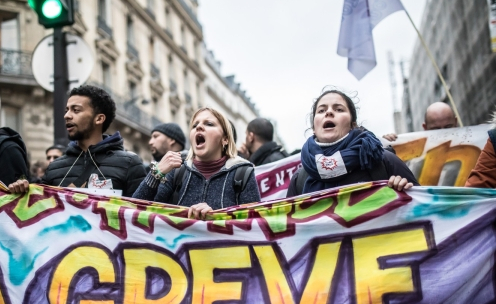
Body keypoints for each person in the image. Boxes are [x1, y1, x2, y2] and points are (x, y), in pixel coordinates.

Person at [8, 85, 146, 195]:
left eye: (76, 110)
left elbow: (141, 216)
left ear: (99, 119)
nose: (67, 116)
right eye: (67, 110)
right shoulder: (55, 167)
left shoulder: (129, 164)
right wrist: (22, 192)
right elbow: (41, 211)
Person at [132, 107, 261, 219]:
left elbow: (254, 225)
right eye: (194, 125)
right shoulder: (177, 170)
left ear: (225, 139)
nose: (199, 127)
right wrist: (155, 173)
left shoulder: (243, 173)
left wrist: (216, 216)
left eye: (209, 124)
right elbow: (134, 212)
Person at [287, 89, 418, 196]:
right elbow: (287, 225)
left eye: (339, 109)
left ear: (353, 125)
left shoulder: (383, 161)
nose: (329, 112)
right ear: (314, 129)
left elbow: (424, 212)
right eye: (321, 110)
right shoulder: (300, 179)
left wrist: (405, 192)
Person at [383, 102, 458, 142]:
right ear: (425, 127)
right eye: (436, 129)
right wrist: (387, 143)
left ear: (456, 122)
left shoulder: (469, 143)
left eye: (448, 127)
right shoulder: (416, 149)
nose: (443, 134)